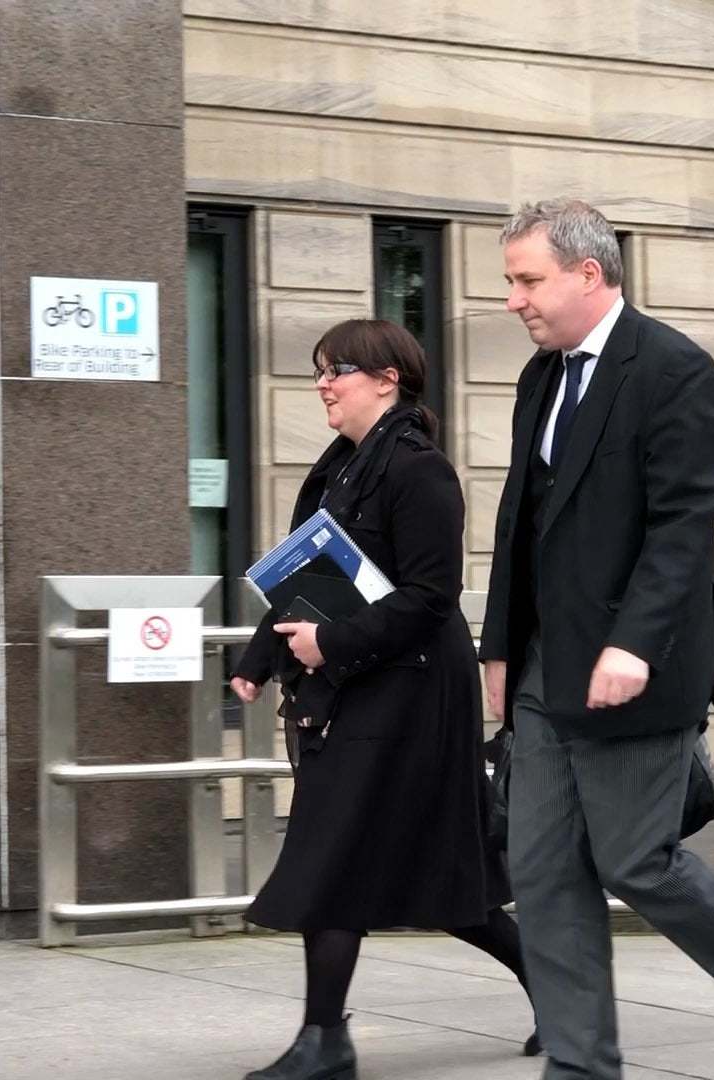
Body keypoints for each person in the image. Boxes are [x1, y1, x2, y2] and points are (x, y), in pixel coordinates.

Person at [480, 198, 714, 1080]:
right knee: (544, 868)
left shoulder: (671, 367)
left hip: (638, 660)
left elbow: (683, 521)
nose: (514, 298)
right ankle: (581, 1065)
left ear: (588, 274)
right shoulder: (541, 377)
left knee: (638, 861)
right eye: (511, 282)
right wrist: (497, 646)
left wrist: (631, 644)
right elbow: (520, 520)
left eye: (527, 280)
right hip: (546, 666)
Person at [231, 319, 538, 1080]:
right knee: (443, 883)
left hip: (410, 704)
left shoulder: (417, 470)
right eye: (320, 371)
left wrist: (330, 646)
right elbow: (308, 577)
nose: (323, 384)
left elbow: (434, 598)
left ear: (386, 378)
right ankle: (566, 992)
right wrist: (263, 655)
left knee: (331, 860)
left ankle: (324, 1041)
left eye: (337, 369)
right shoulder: (339, 469)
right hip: (357, 696)